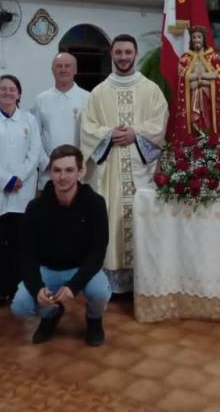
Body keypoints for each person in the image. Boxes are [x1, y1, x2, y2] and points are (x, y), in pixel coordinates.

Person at [80, 34, 168, 293]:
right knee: (111, 220)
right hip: (111, 173)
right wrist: (108, 135)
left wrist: (135, 133)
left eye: (128, 52)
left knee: (142, 221)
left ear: (135, 53)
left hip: (142, 172)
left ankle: (143, 280)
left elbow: (160, 122)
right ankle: (113, 284)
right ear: (111, 53)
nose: (123, 57)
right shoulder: (99, 92)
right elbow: (87, 128)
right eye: (119, 52)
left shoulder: (151, 89)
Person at [12, 145, 111, 347]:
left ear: (80, 172)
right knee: (20, 307)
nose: (62, 177)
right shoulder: (35, 207)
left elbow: (98, 252)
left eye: (69, 170)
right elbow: (27, 255)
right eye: (57, 170)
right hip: (48, 270)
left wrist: (73, 286)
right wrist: (37, 287)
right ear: (50, 172)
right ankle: (51, 313)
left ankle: (94, 319)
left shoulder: (96, 204)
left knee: (101, 292)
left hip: (81, 269)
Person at [0, 74, 42, 308]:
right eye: (2, 89)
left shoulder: (29, 120)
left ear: (19, 94)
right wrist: (6, 180)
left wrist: (20, 177)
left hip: (22, 192)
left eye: (12, 89)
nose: (7, 93)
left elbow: (34, 152)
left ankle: (18, 288)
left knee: (18, 244)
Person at [169, 25, 220, 146]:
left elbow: (218, 75)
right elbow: (183, 77)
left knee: (208, 120)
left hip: (208, 98)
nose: (196, 40)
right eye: (194, 37)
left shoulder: (213, 57)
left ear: (203, 39)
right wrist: (201, 79)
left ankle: (208, 139)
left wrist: (200, 79)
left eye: (199, 37)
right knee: (194, 120)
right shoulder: (185, 59)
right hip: (192, 97)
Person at [32, 52, 90, 189]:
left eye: (67, 66)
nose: (63, 69)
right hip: (49, 170)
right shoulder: (41, 99)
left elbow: (90, 136)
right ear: (53, 70)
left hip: (77, 170)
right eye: (59, 66)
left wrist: (80, 164)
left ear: (75, 70)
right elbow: (35, 136)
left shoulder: (87, 98)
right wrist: (46, 162)